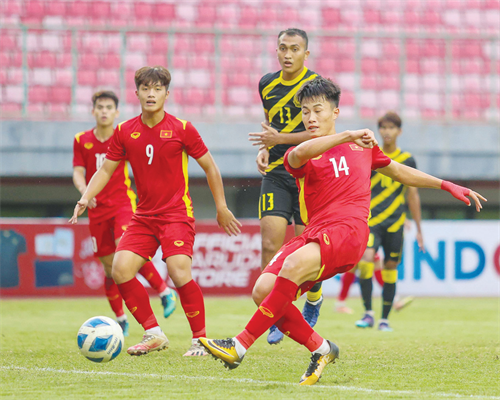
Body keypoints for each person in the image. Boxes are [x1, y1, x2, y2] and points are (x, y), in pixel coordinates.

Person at [199, 77, 485, 385]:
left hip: (348, 231)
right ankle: (321, 349)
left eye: (317, 110)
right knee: (262, 291)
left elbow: (399, 171)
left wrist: (446, 185)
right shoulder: (303, 151)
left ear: (335, 112)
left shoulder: (362, 148)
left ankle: (239, 345)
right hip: (315, 232)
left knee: (291, 267)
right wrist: (347, 134)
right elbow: (297, 154)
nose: (310, 118)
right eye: (305, 112)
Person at [70, 66, 241, 357]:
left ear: (166, 94)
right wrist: (85, 196)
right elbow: (106, 169)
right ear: (136, 93)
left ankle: (200, 340)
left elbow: (210, 167)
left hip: (176, 214)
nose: (151, 94)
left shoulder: (183, 129)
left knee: (178, 270)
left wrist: (221, 207)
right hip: (143, 217)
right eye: (146, 88)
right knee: (120, 269)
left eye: (157, 89)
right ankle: (153, 333)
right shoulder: (125, 131)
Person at [72, 90, 177, 337]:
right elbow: (78, 171)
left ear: (116, 112)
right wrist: (85, 192)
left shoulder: (124, 135)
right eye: (100, 107)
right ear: (93, 111)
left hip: (122, 204)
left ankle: (164, 292)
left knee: (125, 248)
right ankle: (120, 319)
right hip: (96, 210)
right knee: (110, 269)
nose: (104, 111)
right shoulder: (81, 139)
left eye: (109, 107)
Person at [248, 28, 323, 345]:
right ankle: (275, 313)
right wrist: (266, 148)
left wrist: (279, 139)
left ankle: (314, 298)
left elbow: (319, 132)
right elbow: (271, 123)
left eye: (294, 48)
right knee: (270, 245)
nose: (287, 54)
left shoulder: (315, 85)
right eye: (282, 48)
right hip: (277, 173)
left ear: (306, 54)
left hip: (308, 173)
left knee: (308, 250)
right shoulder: (266, 83)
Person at [355, 111, 424, 331]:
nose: (387, 132)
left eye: (391, 128)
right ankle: (368, 313)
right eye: (383, 128)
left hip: (395, 222)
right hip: (371, 220)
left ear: (399, 131)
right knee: (366, 259)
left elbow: (412, 195)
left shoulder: (407, 160)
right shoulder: (370, 155)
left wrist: (419, 229)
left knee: (391, 266)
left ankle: (384, 319)